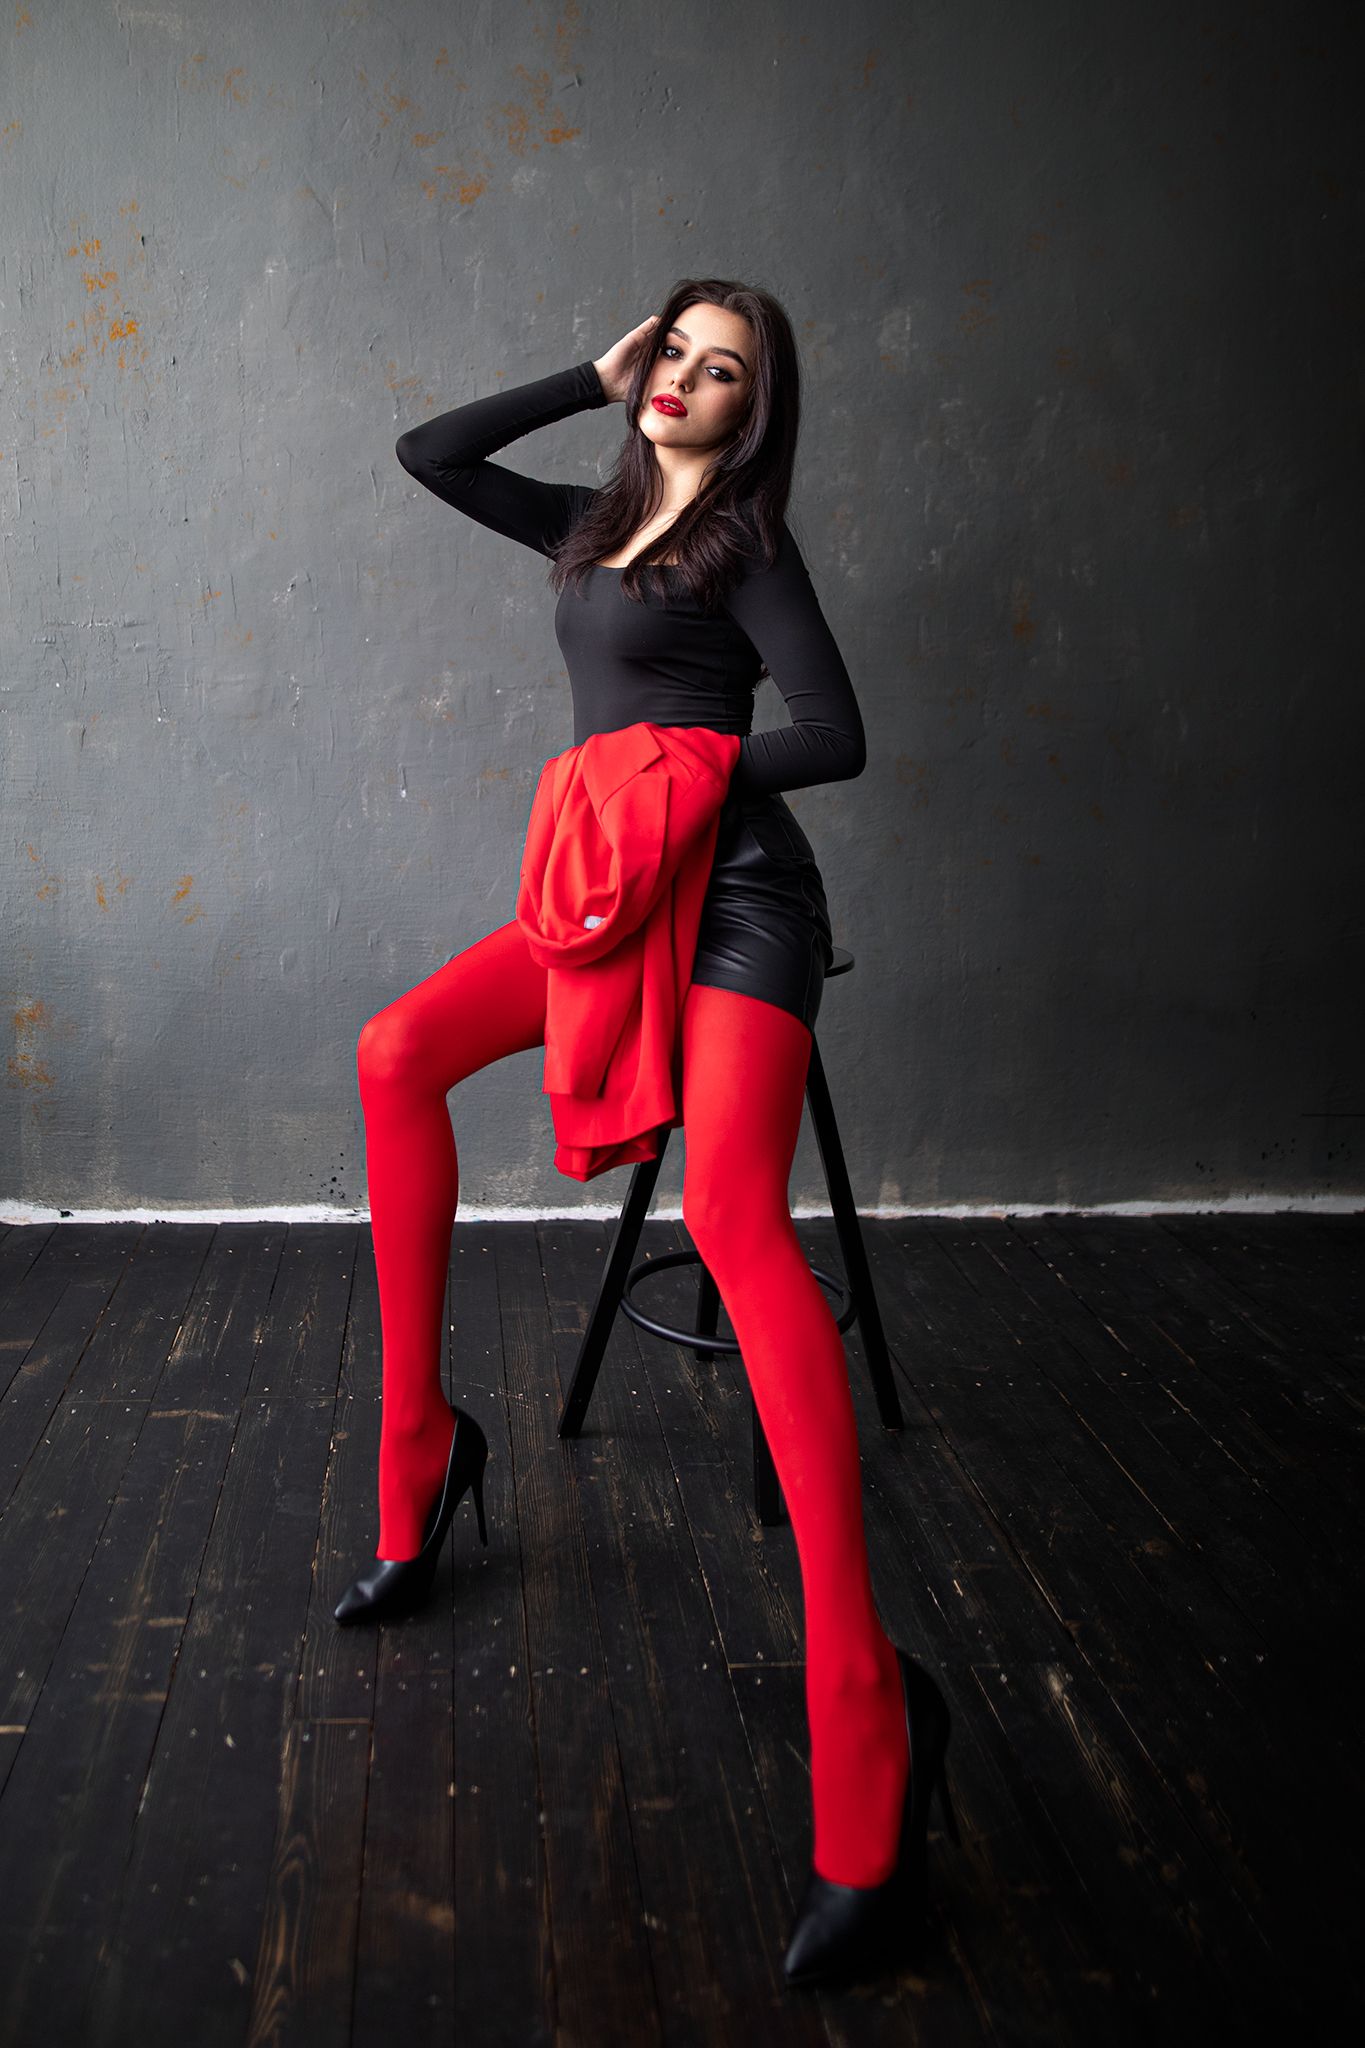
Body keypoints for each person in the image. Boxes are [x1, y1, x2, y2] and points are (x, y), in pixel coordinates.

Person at [332, 277, 959, 1987]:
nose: (684, 380)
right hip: (610, 901)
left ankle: (867, 1701)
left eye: (719, 369)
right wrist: (583, 371)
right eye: (672, 352)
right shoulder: (592, 519)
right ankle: (419, 1459)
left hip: (739, 904)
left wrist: (679, 777)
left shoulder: (747, 547)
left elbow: (833, 736)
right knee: (396, 1054)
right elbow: (428, 451)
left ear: (757, 407)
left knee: (739, 1222)